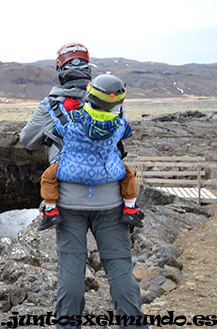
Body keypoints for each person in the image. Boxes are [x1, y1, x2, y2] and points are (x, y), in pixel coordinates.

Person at [19, 43, 147, 328]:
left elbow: (26, 139)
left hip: (69, 203)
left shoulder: (51, 104)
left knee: (71, 275)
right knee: (120, 271)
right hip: (112, 202)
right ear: (89, 69)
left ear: (61, 71)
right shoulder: (114, 101)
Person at [38, 74, 142, 230]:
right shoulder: (119, 125)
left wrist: (64, 110)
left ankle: (51, 211)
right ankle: (131, 209)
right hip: (108, 172)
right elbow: (127, 133)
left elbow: (56, 130)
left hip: (71, 172)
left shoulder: (72, 121)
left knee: (48, 176)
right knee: (128, 174)